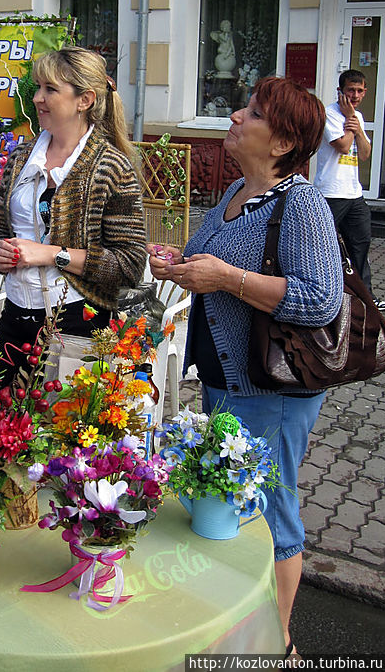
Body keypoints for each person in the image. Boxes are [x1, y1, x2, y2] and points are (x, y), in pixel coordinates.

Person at [148, 77, 343, 659]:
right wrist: (176, 264)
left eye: (253, 113)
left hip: (273, 391)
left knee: (271, 513)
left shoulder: (301, 204)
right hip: (227, 379)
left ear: (282, 142)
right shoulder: (238, 191)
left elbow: (321, 299)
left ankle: (277, 643)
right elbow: (208, 259)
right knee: (235, 501)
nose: (235, 116)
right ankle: (238, 623)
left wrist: (227, 279)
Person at [0, 45, 147, 388]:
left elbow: (130, 265)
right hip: (14, 317)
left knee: (59, 420)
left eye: (50, 89)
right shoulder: (21, 158)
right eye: (38, 87)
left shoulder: (111, 168)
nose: (37, 98)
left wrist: (51, 254)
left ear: (84, 100)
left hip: (77, 323)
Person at [313, 69, 385, 311]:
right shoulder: (329, 114)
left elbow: (364, 153)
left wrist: (356, 125)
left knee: (360, 243)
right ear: (340, 91)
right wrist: (350, 124)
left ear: (365, 92)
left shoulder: (357, 117)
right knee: (324, 245)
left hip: (354, 194)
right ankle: (325, 292)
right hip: (331, 192)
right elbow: (344, 146)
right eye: (350, 90)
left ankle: (366, 297)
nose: (355, 95)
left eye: (359, 91)